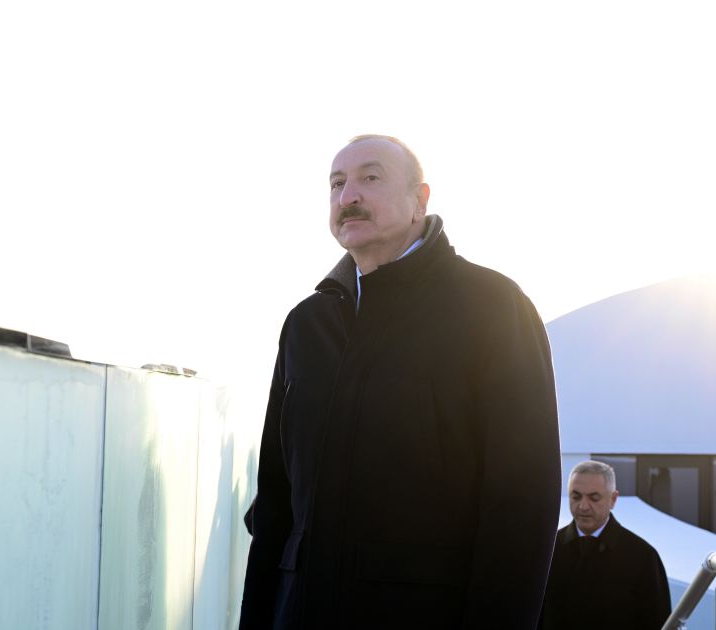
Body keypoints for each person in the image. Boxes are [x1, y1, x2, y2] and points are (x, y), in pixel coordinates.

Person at [239, 134, 561, 630]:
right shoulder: (306, 325)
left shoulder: (493, 308)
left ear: (420, 200)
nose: (349, 196)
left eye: (370, 178)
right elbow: (275, 504)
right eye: (337, 184)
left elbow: (522, 508)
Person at [538, 461, 672, 630]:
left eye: (594, 498)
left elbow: (659, 623)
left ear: (613, 499)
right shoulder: (547, 551)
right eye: (576, 496)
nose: (583, 506)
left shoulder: (642, 557)